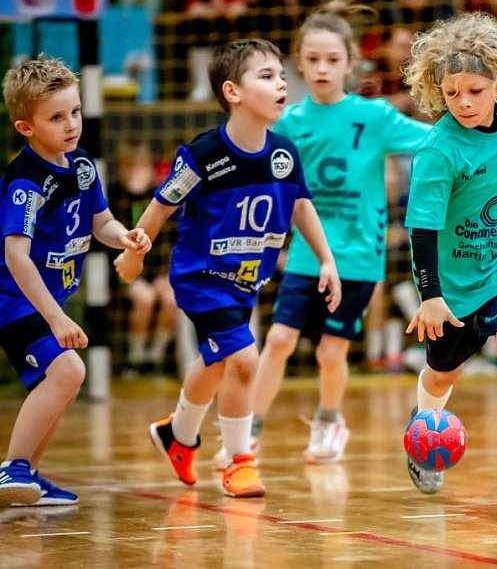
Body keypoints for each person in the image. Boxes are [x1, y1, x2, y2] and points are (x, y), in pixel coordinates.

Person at [114, 38, 342, 498]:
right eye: (266, 76)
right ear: (232, 92)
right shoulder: (202, 155)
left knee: (217, 362)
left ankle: (177, 435)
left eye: (281, 76)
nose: (281, 84)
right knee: (243, 359)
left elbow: (300, 205)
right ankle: (240, 461)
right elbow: (160, 208)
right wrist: (133, 253)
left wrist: (326, 258)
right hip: (202, 278)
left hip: (245, 281)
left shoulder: (284, 154)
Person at [215, 0, 431, 470]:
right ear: (297, 62)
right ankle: (247, 431)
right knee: (278, 342)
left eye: (332, 60)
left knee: (332, 351)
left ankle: (330, 419)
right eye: (311, 59)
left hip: (357, 255)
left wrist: (480, 129)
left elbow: (431, 140)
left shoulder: (374, 118)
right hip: (307, 255)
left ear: (350, 63)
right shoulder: (288, 123)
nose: (321, 68)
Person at [402, 12, 497, 503]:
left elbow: (491, 168)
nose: (464, 102)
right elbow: (421, 229)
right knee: (444, 371)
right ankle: (423, 428)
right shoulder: (436, 152)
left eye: (475, 90)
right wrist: (430, 297)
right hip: (450, 281)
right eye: (451, 94)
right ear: (437, 92)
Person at [0, 56, 150, 508]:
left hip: (45, 302)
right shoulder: (25, 182)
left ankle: (31, 476)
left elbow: (99, 221)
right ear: (26, 128)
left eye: (76, 112)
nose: (72, 125)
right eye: (57, 117)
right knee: (69, 371)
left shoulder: (82, 165)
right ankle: (13, 468)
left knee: (61, 380)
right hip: (16, 301)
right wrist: (55, 315)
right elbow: (14, 255)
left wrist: (125, 236)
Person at [111, 139, 180, 376]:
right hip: (123, 270)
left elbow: (169, 236)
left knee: (171, 298)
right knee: (145, 299)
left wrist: (164, 274)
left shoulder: (159, 197)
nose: (135, 172)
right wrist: (132, 192)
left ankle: (155, 358)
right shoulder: (115, 195)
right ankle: (135, 359)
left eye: (140, 166)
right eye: (129, 167)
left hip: (156, 268)